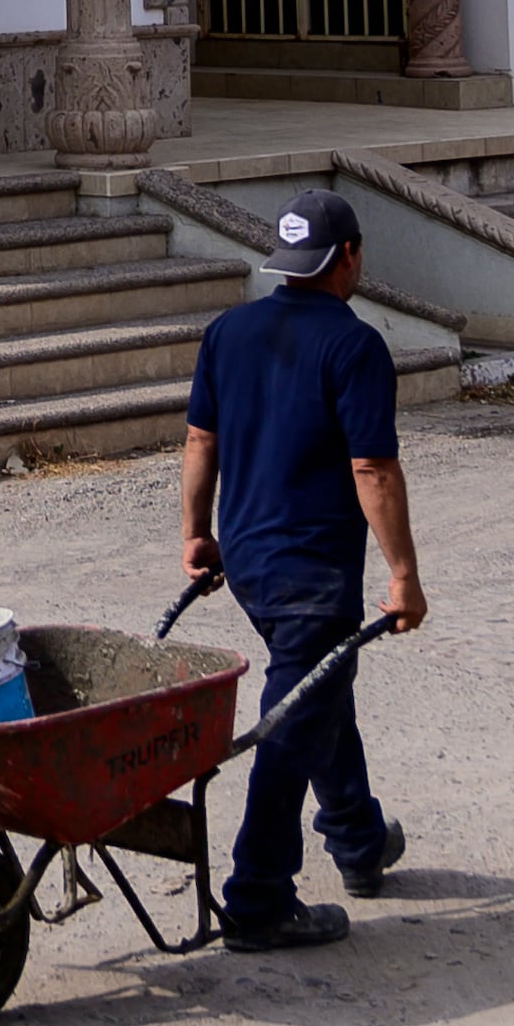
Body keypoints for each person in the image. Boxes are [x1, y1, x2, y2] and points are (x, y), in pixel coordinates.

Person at [176, 183, 426, 951]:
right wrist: (403, 572)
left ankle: (357, 837)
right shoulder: (355, 345)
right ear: (348, 255)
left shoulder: (230, 330)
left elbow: (200, 444)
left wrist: (197, 534)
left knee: (315, 686)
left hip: (249, 558)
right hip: (313, 567)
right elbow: (373, 469)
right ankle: (257, 893)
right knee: (294, 712)